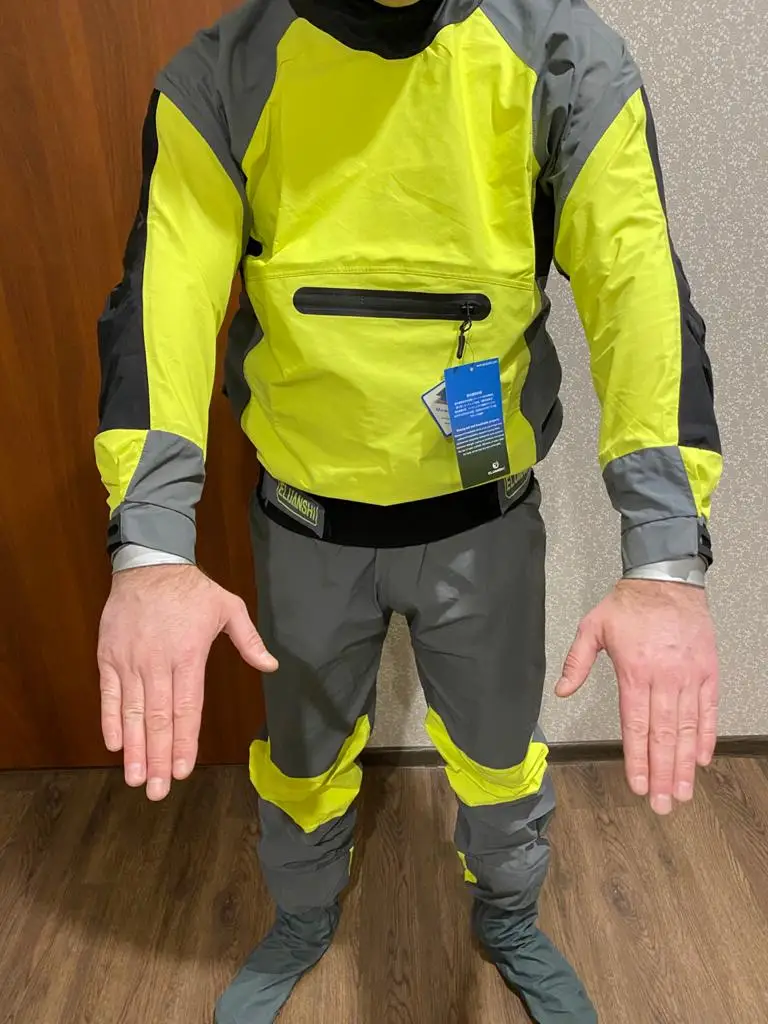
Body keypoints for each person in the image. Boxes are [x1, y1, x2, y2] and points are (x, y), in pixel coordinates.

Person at [94, 0, 722, 1020]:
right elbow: (163, 296)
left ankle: (508, 916)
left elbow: (637, 282)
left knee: (498, 753)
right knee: (302, 757)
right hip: (305, 527)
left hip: (483, 527)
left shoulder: (565, 60)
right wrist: (152, 544)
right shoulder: (221, 77)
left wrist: (662, 557)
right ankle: (304, 915)